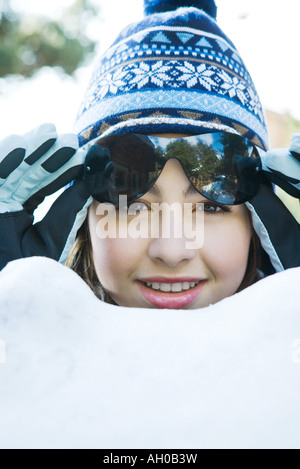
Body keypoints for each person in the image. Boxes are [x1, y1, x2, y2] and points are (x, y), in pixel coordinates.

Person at [0, 0, 299, 309]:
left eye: (211, 208)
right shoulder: (23, 331)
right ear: (82, 216)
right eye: (132, 205)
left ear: (258, 222)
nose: (171, 251)